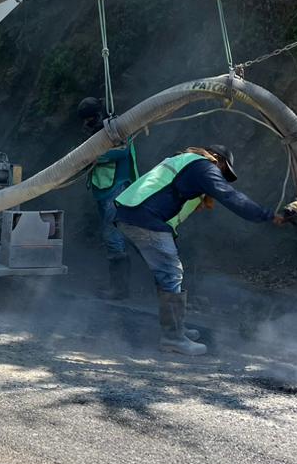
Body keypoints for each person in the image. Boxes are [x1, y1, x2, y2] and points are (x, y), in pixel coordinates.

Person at [114, 144, 284, 356]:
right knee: (171, 273)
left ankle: (176, 329)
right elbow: (229, 195)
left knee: (167, 274)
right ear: (216, 158)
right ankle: (172, 338)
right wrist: (267, 215)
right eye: (223, 170)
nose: (221, 174)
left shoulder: (183, 161)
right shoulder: (203, 166)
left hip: (130, 215)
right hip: (144, 220)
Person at [77, 97, 137, 300]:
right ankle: (119, 287)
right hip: (103, 189)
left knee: (113, 235)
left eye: (89, 119)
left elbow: (124, 151)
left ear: (98, 115)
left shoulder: (116, 127)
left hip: (116, 188)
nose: (86, 124)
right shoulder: (98, 131)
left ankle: (120, 290)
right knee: (112, 234)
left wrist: (96, 157)